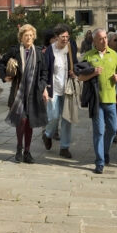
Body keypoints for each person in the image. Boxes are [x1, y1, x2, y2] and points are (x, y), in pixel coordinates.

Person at [0, 24, 49, 164]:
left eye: (31, 35)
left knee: (29, 122)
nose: (28, 38)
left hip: (34, 93)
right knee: (21, 120)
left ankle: (27, 151)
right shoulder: (14, 51)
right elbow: (1, 63)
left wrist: (41, 86)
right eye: (25, 35)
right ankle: (19, 149)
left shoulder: (39, 53)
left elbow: (44, 72)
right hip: (18, 92)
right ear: (21, 37)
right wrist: (4, 76)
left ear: (34, 37)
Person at [76, 28, 117, 175]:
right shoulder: (89, 56)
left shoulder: (114, 55)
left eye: (105, 38)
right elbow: (80, 77)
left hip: (111, 99)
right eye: (101, 38)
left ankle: (105, 151)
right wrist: (93, 73)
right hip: (96, 100)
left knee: (113, 128)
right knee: (99, 131)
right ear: (95, 41)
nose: (104, 41)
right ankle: (100, 161)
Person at [41, 23, 78, 159]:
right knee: (54, 116)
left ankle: (64, 147)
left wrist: (75, 73)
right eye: (63, 37)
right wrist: (44, 88)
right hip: (53, 89)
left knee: (67, 119)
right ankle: (47, 134)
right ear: (56, 37)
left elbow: (76, 63)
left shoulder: (71, 48)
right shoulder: (50, 51)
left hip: (67, 88)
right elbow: (44, 71)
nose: (65, 39)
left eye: (67, 36)